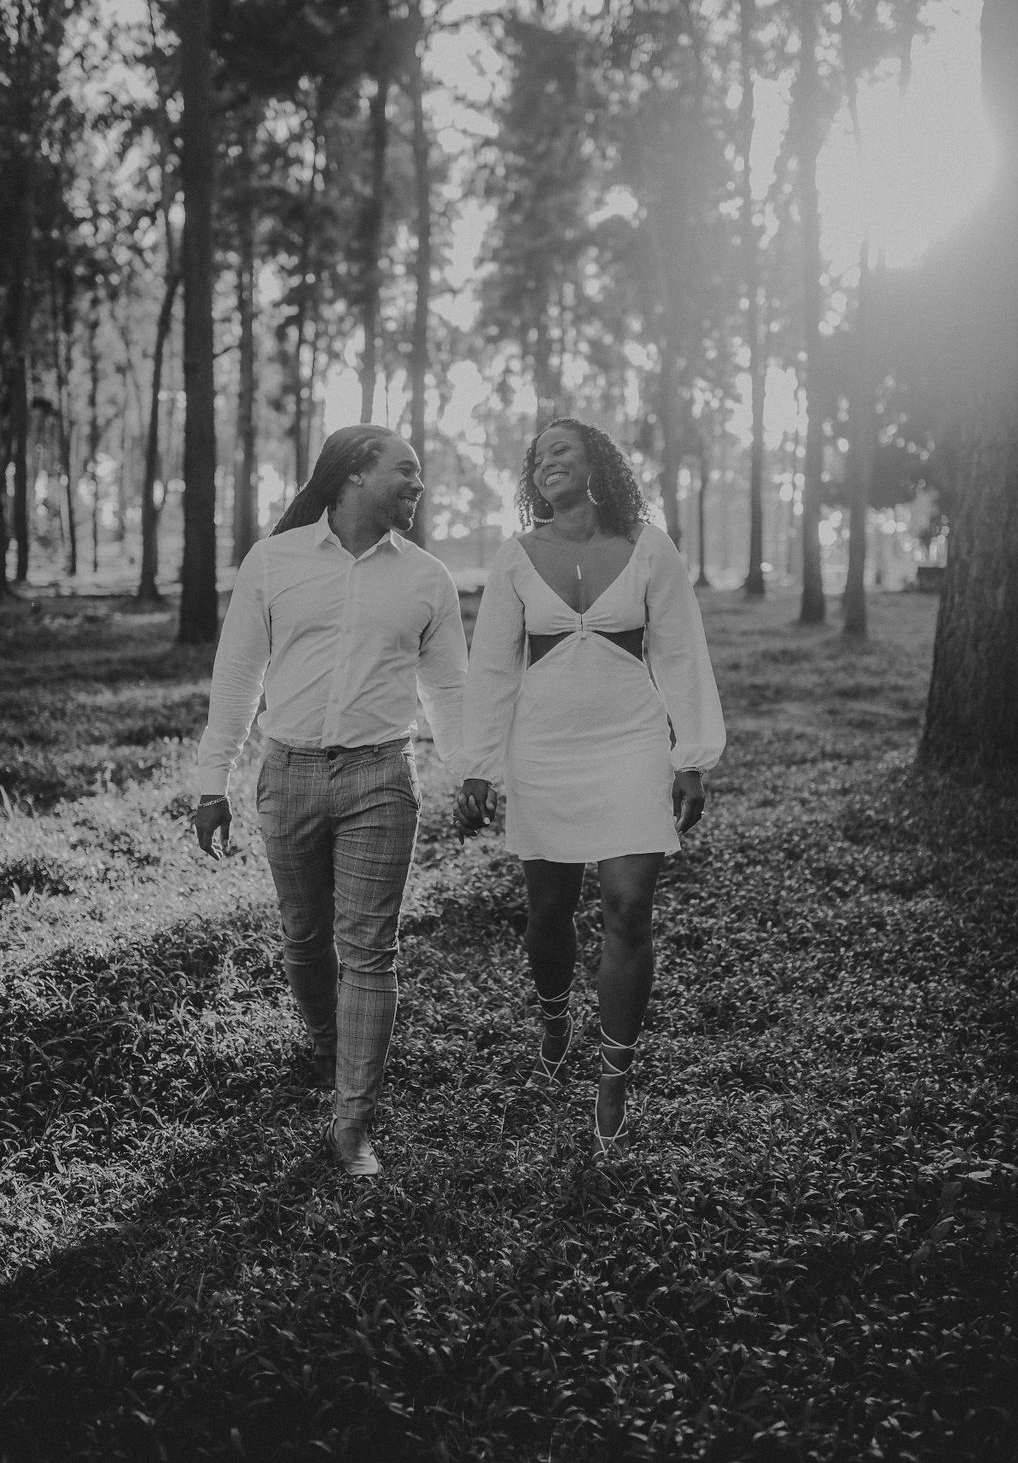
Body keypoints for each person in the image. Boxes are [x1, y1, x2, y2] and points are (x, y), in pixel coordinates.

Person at [193, 425, 467, 1179]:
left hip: (382, 778)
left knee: (370, 952)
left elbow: (447, 689)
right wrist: (210, 782)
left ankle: (354, 1125)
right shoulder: (274, 562)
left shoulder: (427, 578)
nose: (418, 485)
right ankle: (324, 1046)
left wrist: (475, 770)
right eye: (405, 470)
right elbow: (239, 676)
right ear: (352, 474)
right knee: (304, 938)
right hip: (289, 775)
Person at [454, 417, 725, 1159]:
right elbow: (493, 667)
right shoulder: (516, 556)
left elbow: (679, 648)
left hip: (631, 741)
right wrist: (477, 763)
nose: (547, 463)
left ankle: (612, 1073)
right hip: (542, 747)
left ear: (596, 462)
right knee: (549, 911)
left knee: (628, 908)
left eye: (561, 450)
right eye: (537, 457)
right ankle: (552, 1017)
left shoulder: (648, 546)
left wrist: (691, 754)